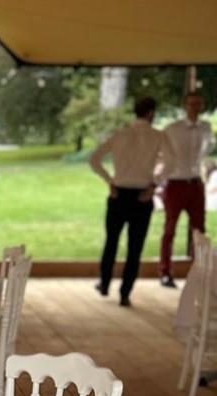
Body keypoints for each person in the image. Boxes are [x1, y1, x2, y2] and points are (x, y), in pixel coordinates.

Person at [90, 97, 175, 307]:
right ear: (151, 113)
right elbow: (172, 162)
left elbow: (94, 159)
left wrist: (109, 180)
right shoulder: (158, 136)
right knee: (134, 247)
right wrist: (154, 184)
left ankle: (105, 282)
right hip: (142, 195)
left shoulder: (121, 134)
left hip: (119, 192)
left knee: (111, 241)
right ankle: (125, 292)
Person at [159, 91, 214, 288]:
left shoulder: (206, 128)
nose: (195, 108)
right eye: (191, 104)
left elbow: (206, 151)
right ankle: (165, 271)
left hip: (195, 183)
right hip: (175, 183)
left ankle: (199, 273)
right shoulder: (173, 129)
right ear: (185, 106)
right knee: (170, 228)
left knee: (199, 230)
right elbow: (162, 153)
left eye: (198, 104)